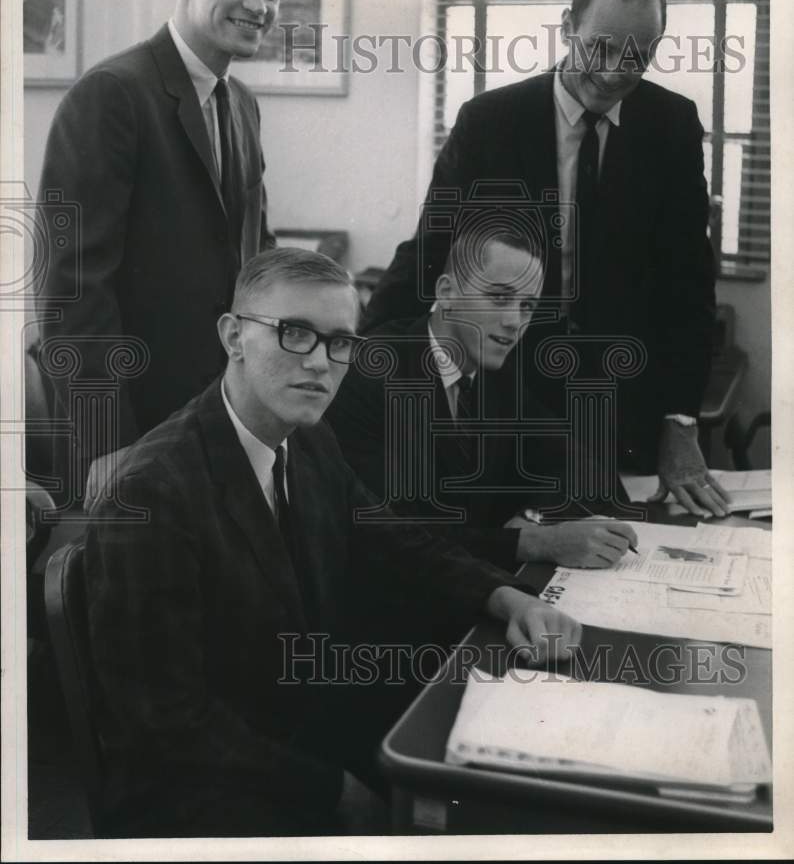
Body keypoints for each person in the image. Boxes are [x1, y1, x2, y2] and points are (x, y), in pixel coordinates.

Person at [84, 246, 582, 837]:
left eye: (340, 342)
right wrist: (333, 791)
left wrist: (507, 597)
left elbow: (396, 542)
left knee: (513, 769)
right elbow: (167, 727)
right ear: (234, 336)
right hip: (199, 796)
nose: (321, 362)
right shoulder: (153, 494)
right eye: (296, 333)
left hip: (293, 731)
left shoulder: (310, 442)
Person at [362, 0, 730, 520]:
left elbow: (689, 287)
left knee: (617, 550)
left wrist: (680, 421)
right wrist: (363, 355)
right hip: (510, 389)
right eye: (599, 48)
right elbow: (431, 250)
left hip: (620, 395)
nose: (611, 74)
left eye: (634, 57)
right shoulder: (490, 121)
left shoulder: (672, 125)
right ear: (566, 28)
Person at [36, 0, 285, 507]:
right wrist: (105, 445)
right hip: (133, 433)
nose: (259, 4)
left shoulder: (242, 104)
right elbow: (71, 289)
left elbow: (254, 259)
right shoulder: (112, 94)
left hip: (220, 417)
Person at [327, 226, 638, 573]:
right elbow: (395, 534)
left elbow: (582, 468)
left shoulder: (495, 374)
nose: (513, 322)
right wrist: (536, 542)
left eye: (527, 305)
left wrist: (534, 517)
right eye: (499, 298)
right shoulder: (369, 376)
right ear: (446, 292)